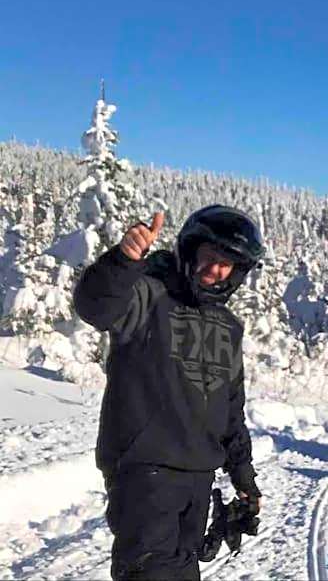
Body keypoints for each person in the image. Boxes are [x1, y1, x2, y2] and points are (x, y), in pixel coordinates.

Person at [74, 205, 266, 580]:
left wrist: (243, 477)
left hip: (198, 479)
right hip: (145, 473)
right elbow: (95, 307)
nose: (215, 270)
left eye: (226, 264)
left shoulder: (229, 327)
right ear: (191, 251)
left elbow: (230, 409)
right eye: (209, 258)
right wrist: (123, 261)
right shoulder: (148, 296)